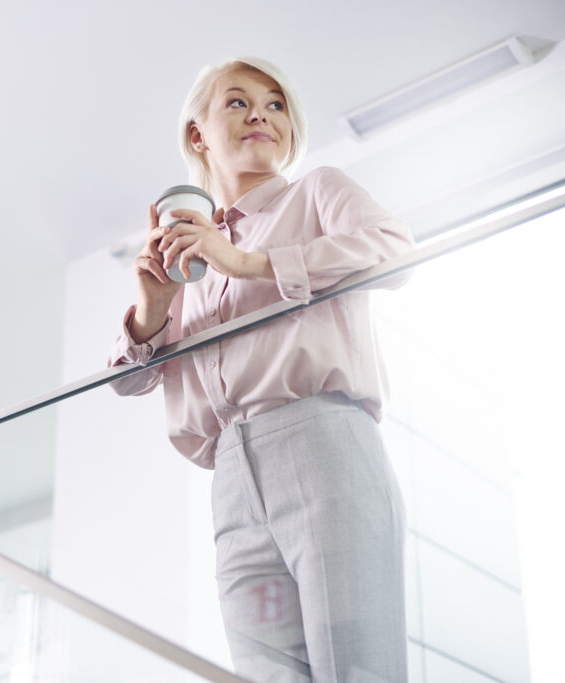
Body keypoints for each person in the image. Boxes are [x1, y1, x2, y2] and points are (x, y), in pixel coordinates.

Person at [108, 57, 416, 682]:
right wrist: (153, 305)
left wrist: (247, 263)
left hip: (323, 445)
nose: (261, 115)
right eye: (239, 102)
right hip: (230, 478)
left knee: (357, 672)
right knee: (263, 673)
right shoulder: (186, 253)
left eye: (276, 105)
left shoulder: (316, 191)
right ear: (198, 134)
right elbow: (127, 379)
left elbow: (397, 254)